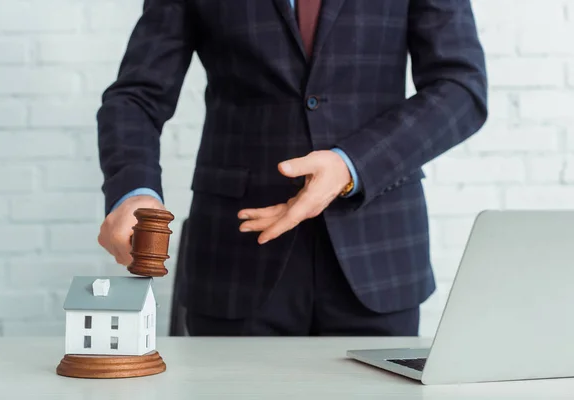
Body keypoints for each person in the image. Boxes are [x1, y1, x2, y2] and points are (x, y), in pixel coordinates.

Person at [97, 0, 487, 336]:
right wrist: (134, 191)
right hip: (234, 256)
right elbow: (137, 96)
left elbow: (460, 88)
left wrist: (351, 165)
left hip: (378, 252)